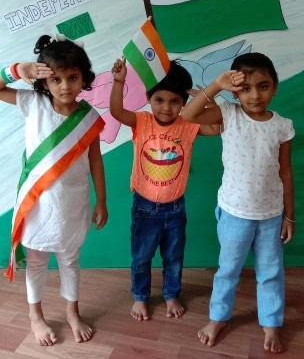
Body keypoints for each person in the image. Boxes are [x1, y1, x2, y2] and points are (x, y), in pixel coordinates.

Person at [181, 52, 295, 353]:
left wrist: (289, 216)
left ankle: (271, 323)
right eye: (245, 88)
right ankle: (218, 317)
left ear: (275, 87)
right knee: (228, 268)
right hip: (234, 213)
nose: (255, 95)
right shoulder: (228, 114)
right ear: (235, 90)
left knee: (271, 271)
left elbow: (285, 171)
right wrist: (217, 85)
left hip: (271, 215)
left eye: (263, 85)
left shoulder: (283, 126)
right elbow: (188, 116)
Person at [0, 35, 108, 346]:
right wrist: (19, 70)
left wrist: (102, 198)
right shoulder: (32, 103)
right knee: (35, 263)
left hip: (73, 205)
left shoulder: (88, 119)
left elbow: (96, 160)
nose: (64, 86)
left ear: (83, 78)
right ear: (44, 81)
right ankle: (36, 316)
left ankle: (72, 312)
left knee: (70, 261)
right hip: (37, 205)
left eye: (72, 78)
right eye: (56, 79)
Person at [110, 57, 219, 322]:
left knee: (174, 257)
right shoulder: (142, 121)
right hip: (145, 207)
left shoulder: (188, 124)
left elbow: (217, 127)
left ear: (183, 103)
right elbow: (116, 112)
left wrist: (208, 100)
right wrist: (119, 81)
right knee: (142, 257)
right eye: (159, 100)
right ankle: (141, 297)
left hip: (176, 207)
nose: (167, 108)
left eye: (175, 101)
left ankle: (171, 295)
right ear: (149, 98)